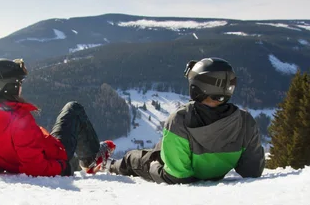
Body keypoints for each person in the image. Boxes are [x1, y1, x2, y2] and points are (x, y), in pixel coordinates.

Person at [104, 57, 265, 184]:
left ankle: (108, 165)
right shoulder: (246, 122)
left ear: (196, 88)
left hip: (173, 166)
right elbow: (252, 171)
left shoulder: (180, 120)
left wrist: (154, 167)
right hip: (195, 164)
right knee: (158, 149)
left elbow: (177, 176)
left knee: (134, 158)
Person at [0, 58, 115, 176]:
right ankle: (91, 159)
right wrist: (61, 166)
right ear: (8, 87)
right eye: (18, 83)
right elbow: (35, 167)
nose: (20, 87)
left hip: (30, 154)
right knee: (73, 108)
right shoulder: (18, 119)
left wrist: (1, 167)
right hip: (55, 153)